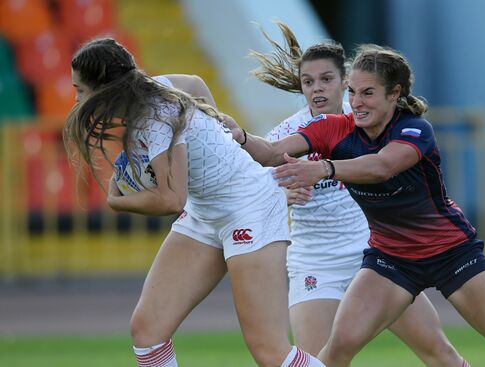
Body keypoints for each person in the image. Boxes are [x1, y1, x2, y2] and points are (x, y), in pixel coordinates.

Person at [225, 42, 485, 367]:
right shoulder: (332, 127)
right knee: (338, 347)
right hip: (390, 261)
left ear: (394, 94)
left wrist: (324, 168)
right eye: (353, 92)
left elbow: (381, 167)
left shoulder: (415, 129)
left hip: (451, 253)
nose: (356, 102)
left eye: (367, 93)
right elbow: (271, 152)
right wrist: (240, 136)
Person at [63, 37, 326, 367]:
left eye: (81, 90)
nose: (77, 100)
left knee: (269, 351)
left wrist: (117, 202)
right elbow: (194, 84)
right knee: (147, 331)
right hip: (205, 211)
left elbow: (171, 200)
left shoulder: (153, 118)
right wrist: (216, 134)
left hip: (249, 209)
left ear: (106, 88)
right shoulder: (152, 88)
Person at [248, 22, 469, 367]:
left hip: (378, 255)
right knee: (321, 362)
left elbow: (392, 164)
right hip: (316, 262)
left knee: (438, 351)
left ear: (346, 80)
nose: (317, 89)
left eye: (326, 79)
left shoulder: (374, 121)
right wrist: (279, 196)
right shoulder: (287, 134)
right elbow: (256, 189)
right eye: (308, 82)